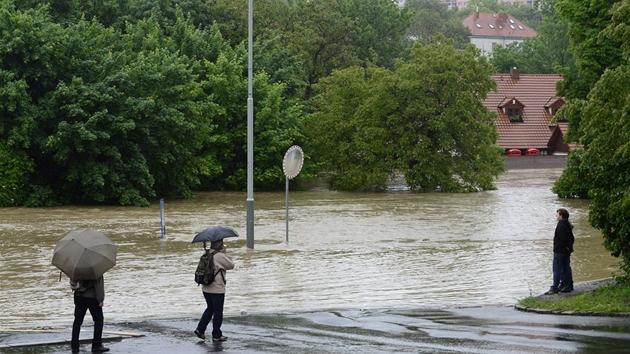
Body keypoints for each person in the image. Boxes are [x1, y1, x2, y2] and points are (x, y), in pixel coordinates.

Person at [194, 239, 234, 342]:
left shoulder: (206, 253)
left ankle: (200, 329)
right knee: (218, 311)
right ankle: (217, 335)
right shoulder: (219, 256)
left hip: (206, 287)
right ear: (220, 245)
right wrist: (225, 254)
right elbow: (231, 265)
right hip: (217, 288)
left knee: (210, 308)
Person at [71, 276, 109, 353]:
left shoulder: (77, 268)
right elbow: (99, 285)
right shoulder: (95, 270)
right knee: (98, 320)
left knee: (77, 321)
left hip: (78, 296)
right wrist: (100, 299)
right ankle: (96, 345)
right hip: (92, 297)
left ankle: (74, 346)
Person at [545, 208, 575, 295]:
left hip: (560, 250)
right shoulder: (567, 224)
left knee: (557, 269)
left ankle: (555, 287)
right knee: (566, 267)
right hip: (566, 250)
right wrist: (569, 247)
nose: (556, 216)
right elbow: (571, 238)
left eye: (557, 214)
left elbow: (563, 238)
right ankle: (567, 285)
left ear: (561, 215)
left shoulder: (561, 225)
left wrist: (565, 246)